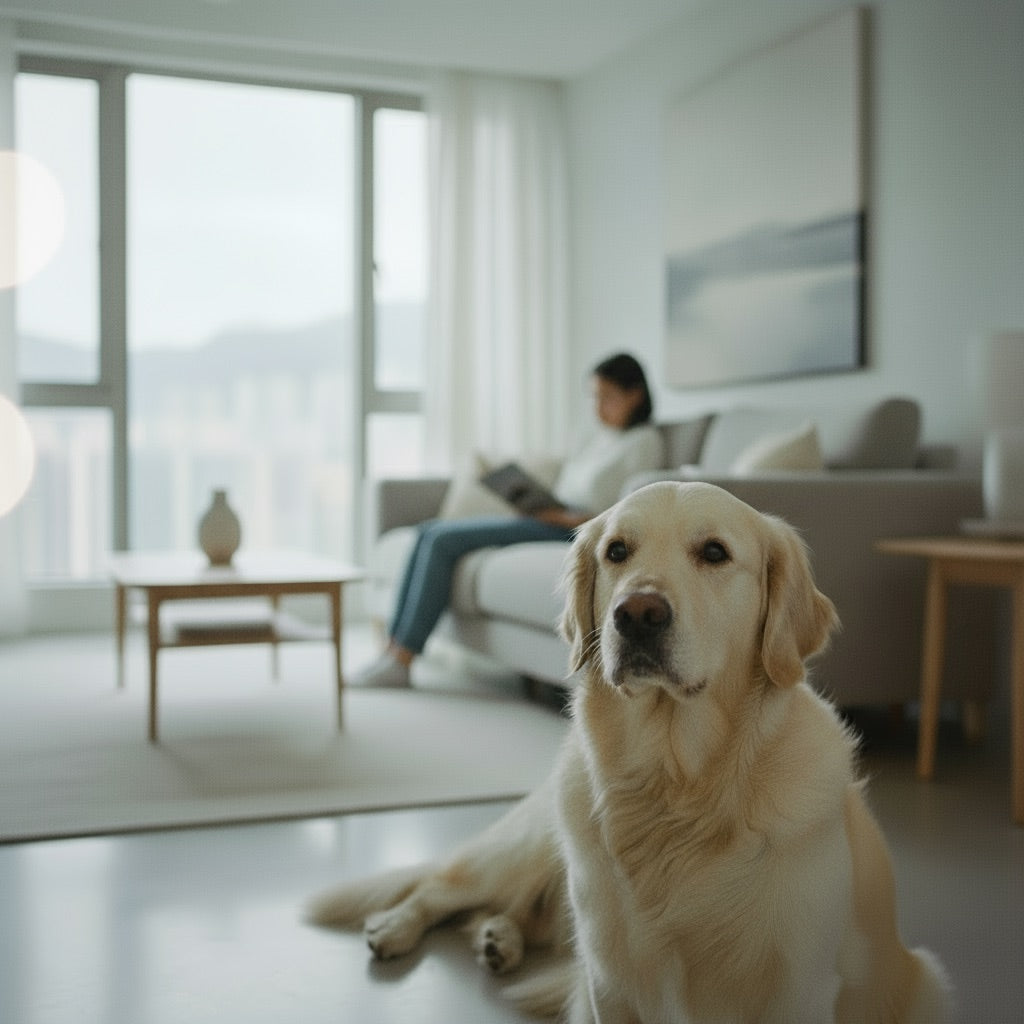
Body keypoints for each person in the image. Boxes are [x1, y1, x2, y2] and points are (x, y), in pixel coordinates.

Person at [352, 352, 664, 688]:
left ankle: (402, 659)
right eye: (595, 397)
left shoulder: (644, 442)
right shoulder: (598, 440)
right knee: (428, 531)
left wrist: (569, 517)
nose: (598, 407)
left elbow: (628, 513)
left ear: (635, 395)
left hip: (576, 530)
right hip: (552, 517)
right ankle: (392, 649)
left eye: (609, 397)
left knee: (443, 540)